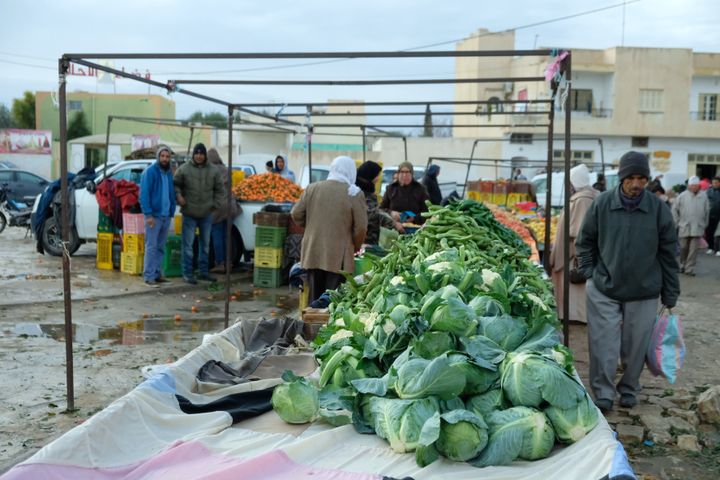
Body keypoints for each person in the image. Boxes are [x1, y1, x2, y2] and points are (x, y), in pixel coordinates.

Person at [576, 151, 680, 412]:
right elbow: (584, 241)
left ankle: (629, 388)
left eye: (641, 179)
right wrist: (589, 271)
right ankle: (603, 391)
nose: (636, 184)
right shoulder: (602, 204)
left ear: (647, 180)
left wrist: (671, 291)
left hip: (644, 289)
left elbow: (669, 253)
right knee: (603, 342)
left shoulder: (658, 209)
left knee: (636, 346)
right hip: (604, 287)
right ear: (621, 178)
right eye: (631, 178)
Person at [291, 156, 367, 303]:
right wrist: (355, 246)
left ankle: (310, 324)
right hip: (339, 256)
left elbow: (296, 213)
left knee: (313, 297)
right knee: (333, 299)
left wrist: (312, 227)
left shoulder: (312, 188)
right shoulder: (353, 193)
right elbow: (361, 227)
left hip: (313, 251)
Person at [548, 164, 598, 323]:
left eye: (569, 183)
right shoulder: (583, 197)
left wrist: (579, 255)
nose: (568, 186)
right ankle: (571, 315)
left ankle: (576, 316)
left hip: (573, 253)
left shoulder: (582, 199)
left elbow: (579, 232)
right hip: (573, 252)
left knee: (575, 287)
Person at [173, 143, 225, 284]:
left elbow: (221, 190)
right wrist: (179, 196)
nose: (199, 156)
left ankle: (203, 272)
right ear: (193, 154)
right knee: (188, 245)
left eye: (201, 153)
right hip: (189, 212)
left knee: (206, 246)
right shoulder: (184, 169)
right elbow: (175, 184)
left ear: (205, 155)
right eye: (197, 153)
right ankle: (187, 273)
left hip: (206, 214)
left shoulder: (213, 171)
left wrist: (215, 205)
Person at [139, 145, 176, 288]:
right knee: (151, 246)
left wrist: (172, 210)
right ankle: (149, 277)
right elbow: (144, 195)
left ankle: (157, 274)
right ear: (158, 157)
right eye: (163, 156)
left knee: (161, 247)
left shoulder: (169, 173)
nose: (165, 159)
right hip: (154, 216)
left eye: (167, 157)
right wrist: (148, 215)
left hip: (166, 216)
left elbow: (171, 192)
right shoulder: (150, 172)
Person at [207, 148, 241, 274]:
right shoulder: (226, 169)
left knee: (217, 235)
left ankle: (220, 263)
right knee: (227, 236)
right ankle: (229, 262)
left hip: (218, 208)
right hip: (231, 206)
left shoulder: (210, 170)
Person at [356, 160, 404, 244]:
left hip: (371, 237)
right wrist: (393, 224)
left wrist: (390, 213)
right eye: (377, 175)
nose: (378, 178)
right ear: (370, 175)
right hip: (365, 240)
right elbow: (371, 214)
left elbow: (376, 209)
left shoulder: (367, 189)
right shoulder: (361, 192)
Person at [672, 176, 709, 276]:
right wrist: (676, 222)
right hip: (684, 225)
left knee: (694, 249)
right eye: (692, 185)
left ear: (698, 186)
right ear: (688, 186)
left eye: (696, 185)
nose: (694, 187)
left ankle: (690, 268)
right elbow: (674, 209)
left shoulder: (703, 196)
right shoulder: (682, 196)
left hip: (698, 226)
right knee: (683, 247)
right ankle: (682, 264)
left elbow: (707, 211)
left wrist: (705, 224)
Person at [704, 176, 720, 255]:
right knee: (709, 232)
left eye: (716, 183)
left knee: (718, 234)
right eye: (713, 183)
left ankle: (718, 249)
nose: (714, 184)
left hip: (719, 216)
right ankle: (711, 247)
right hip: (710, 215)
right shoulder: (708, 192)